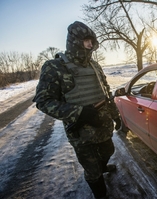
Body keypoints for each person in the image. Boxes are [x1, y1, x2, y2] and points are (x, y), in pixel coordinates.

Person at [33, 21, 121, 199]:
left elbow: (105, 92)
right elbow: (43, 101)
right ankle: (101, 193)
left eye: (91, 41)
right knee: (92, 170)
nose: (90, 45)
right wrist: (78, 112)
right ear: (74, 42)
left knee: (108, 151)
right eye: (86, 41)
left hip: (103, 125)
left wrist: (114, 113)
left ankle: (103, 167)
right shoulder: (54, 67)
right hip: (81, 132)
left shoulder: (95, 65)